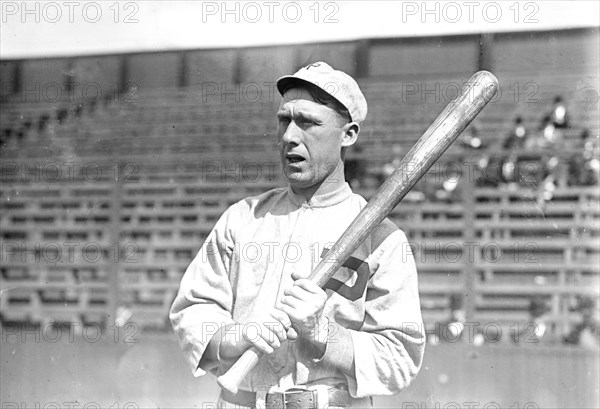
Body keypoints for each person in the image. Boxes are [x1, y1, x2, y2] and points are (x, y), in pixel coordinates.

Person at [170, 62, 425, 409]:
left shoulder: (383, 240)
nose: (290, 135)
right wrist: (235, 336)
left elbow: (400, 357)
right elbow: (192, 311)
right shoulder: (242, 219)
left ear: (348, 134)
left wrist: (323, 333)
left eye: (307, 122)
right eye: (283, 120)